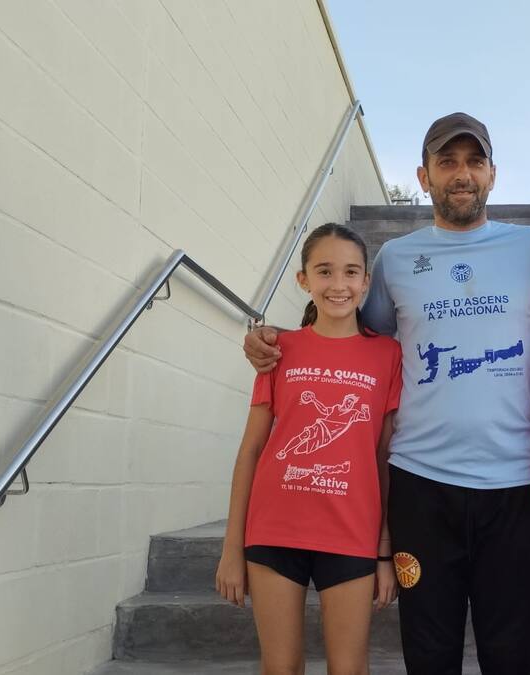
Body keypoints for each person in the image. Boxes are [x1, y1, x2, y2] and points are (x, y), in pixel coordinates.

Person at [244, 113, 530, 675]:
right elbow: (351, 335)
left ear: (492, 174)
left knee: (508, 657)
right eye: (447, 162)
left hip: (513, 487)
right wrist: (278, 340)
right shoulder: (394, 259)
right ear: (424, 177)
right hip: (420, 484)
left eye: (474, 161)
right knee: (429, 658)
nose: (461, 174)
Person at [215, 223, 403, 675]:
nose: (338, 284)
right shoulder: (278, 350)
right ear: (304, 280)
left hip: (351, 532)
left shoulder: (388, 355)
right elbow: (251, 450)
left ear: (366, 282)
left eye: (350, 272)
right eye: (324, 271)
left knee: (349, 667)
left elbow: (384, 459)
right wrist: (231, 548)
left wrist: (384, 553)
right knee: (280, 667)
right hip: (274, 529)